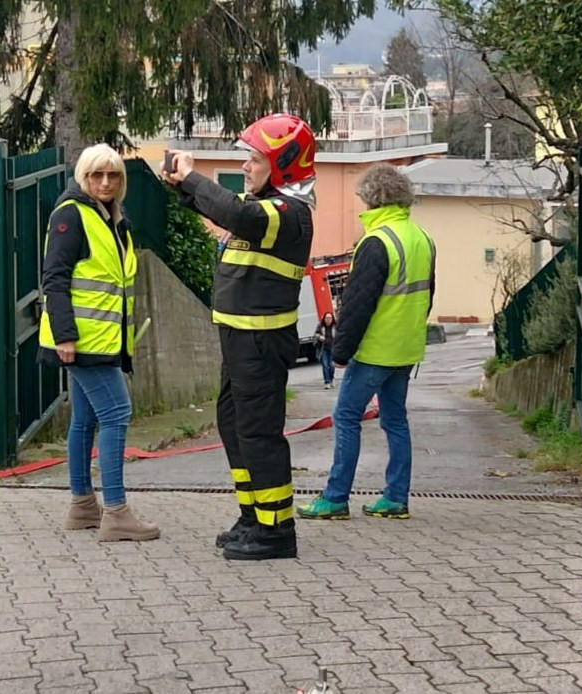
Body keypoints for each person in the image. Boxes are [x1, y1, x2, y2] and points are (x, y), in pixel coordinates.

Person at [165, 113, 317, 561]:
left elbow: (237, 213)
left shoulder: (288, 213)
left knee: (258, 432)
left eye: (254, 159)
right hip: (240, 339)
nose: (245, 167)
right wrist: (181, 185)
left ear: (283, 165)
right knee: (234, 426)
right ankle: (253, 516)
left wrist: (194, 176)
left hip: (260, 342)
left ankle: (277, 530)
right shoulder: (268, 209)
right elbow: (227, 211)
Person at [298, 163, 435, 521]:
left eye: (361, 199)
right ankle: (395, 498)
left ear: (373, 200)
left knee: (345, 415)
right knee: (395, 421)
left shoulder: (376, 242)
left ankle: (335, 497)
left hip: (376, 349)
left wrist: (340, 352)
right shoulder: (422, 239)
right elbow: (427, 295)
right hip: (407, 349)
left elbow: (357, 304)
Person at [38, 143, 160, 543]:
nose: (105, 182)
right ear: (83, 177)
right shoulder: (72, 215)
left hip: (101, 340)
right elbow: (54, 278)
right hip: (84, 342)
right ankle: (117, 512)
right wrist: (66, 337)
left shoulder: (110, 218)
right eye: (96, 175)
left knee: (86, 420)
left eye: (113, 176)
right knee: (117, 414)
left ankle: (82, 506)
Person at [315, 312, 337, 388]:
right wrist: (320, 337)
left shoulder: (335, 326)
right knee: (325, 365)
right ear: (324, 319)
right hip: (323, 348)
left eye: (330, 318)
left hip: (332, 348)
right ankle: (327, 382)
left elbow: (339, 335)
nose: (328, 320)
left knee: (331, 366)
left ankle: (332, 378)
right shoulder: (321, 326)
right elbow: (316, 334)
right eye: (327, 318)